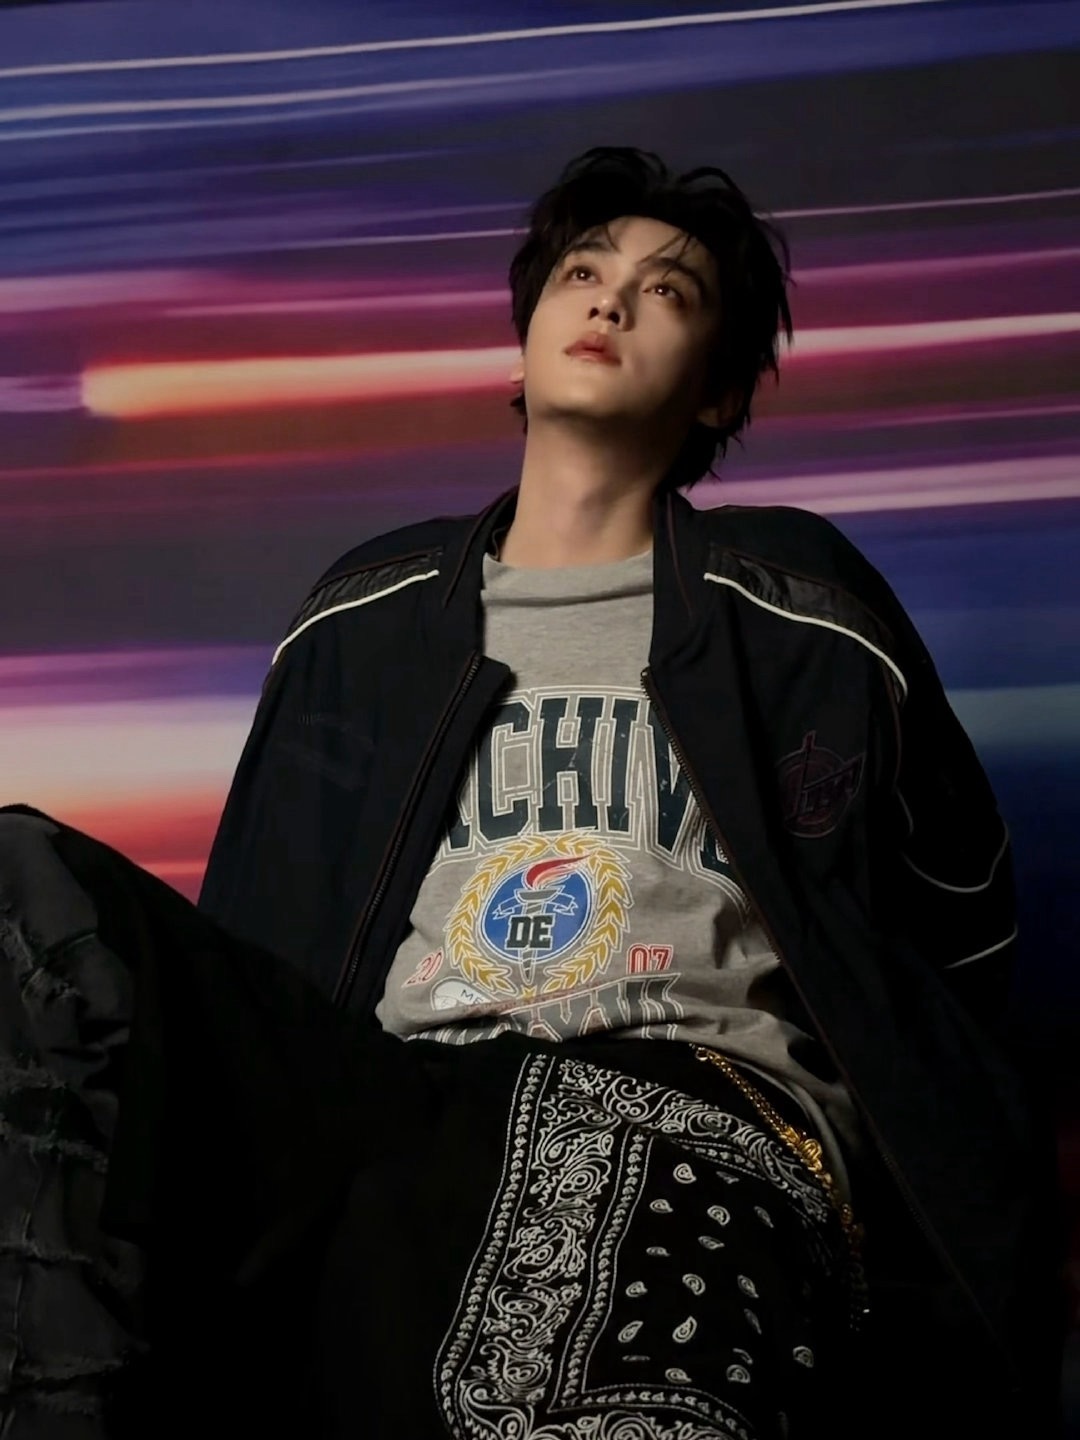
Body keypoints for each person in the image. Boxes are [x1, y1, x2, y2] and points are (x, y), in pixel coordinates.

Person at [0, 148, 1062, 1439]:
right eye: (582, 272)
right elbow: (260, 933)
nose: (611, 299)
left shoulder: (805, 612)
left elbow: (955, 937)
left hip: (697, 1109)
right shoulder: (361, 622)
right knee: (26, 895)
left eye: (668, 291)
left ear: (720, 390)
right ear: (525, 338)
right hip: (403, 1105)